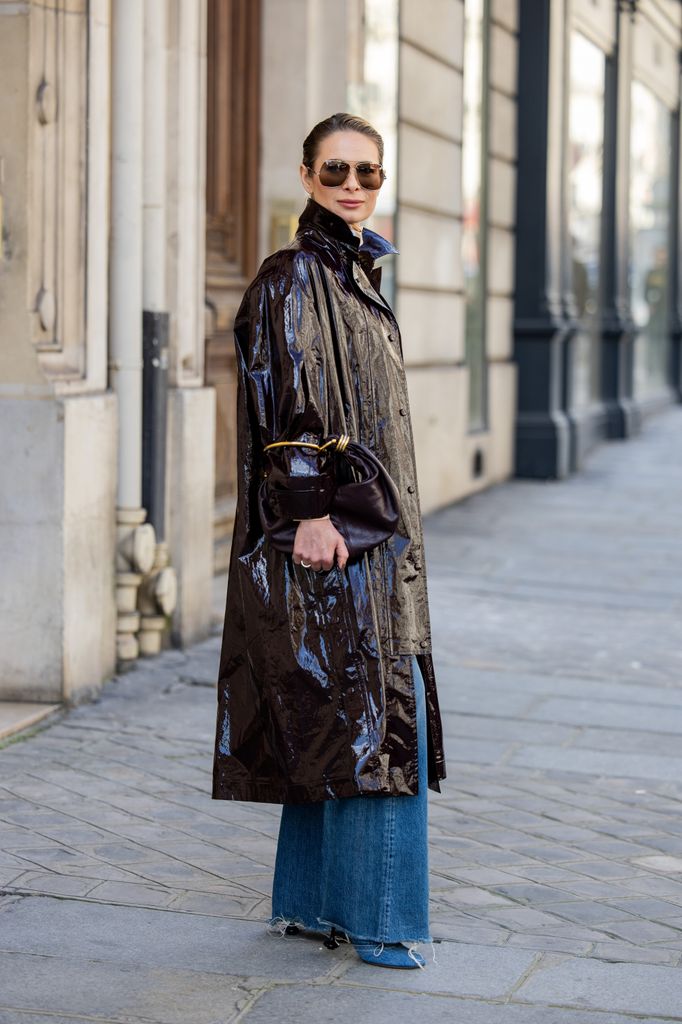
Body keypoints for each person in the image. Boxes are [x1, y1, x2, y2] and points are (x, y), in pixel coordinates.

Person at [212, 112, 446, 970]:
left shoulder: (354, 273)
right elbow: (290, 401)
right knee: (383, 720)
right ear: (308, 176)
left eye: (369, 173)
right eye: (338, 170)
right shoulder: (297, 276)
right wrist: (310, 509)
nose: (354, 184)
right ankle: (382, 920)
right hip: (335, 536)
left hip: (365, 538)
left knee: (331, 710)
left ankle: (311, 905)